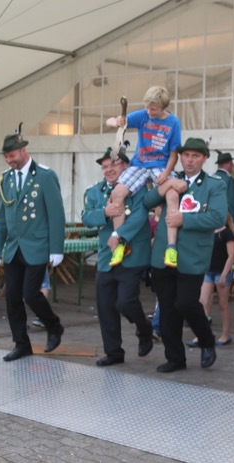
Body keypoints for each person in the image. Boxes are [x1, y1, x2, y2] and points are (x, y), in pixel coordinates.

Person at [144, 137, 227, 373]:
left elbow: (218, 217)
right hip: (163, 254)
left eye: (196, 156)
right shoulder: (171, 178)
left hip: (193, 256)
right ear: (180, 157)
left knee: (186, 303)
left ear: (205, 159)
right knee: (167, 309)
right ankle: (175, 358)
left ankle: (206, 340)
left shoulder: (214, 185)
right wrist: (168, 184)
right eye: (186, 155)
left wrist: (185, 219)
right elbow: (148, 201)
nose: (190, 160)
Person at [0, 123, 66, 362]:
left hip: (37, 246)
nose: (9, 161)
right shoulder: (6, 179)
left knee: (31, 294)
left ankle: (54, 325)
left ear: (23, 151)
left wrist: (57, 248)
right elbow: (2, 216)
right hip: (14, 248)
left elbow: (56, 215)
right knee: (12, 298)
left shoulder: (45, 176)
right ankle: (21, 344)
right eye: (6, 157)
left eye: (12, 156)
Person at [82, 146, 153, 367]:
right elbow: (86, 217)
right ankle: (113, 352)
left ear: (126, 166)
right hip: (107, 257)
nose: (108, 170)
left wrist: (119, 234)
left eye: (113, 165)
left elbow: (140, 216)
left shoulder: (138, 189)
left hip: (132, 255)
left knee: (125, 302)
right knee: (106, 307)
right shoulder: (95, 192)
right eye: (104, 167)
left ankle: (144, 328)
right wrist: (104, 213)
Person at [105, 86, 182, 268]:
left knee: (172, 195)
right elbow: (110, 121)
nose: (149, 111)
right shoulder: (143, 115)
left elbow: (174, 155)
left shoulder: (173, 123)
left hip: (161, 165)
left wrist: (166, 173)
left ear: (163, 107)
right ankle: (120, 242)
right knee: (117, 194)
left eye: (153, 109)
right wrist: (117, 121)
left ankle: (171, 247)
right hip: (139, 164)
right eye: (147, 107)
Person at [186, 215, 234, 347]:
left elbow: (231, 255)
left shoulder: (227, 233)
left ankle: (225, 334)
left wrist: (224, 274)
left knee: (223, 304)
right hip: (208, 271)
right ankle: (201, 334)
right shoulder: (208, 231)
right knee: (202, 301)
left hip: (221, 272)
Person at [214, 151, 234, 233]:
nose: (233, 166)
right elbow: (232, 203)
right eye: (232, 164)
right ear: (228, 164)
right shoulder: (229, 180)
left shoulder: (210, 178)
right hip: (225, 224)